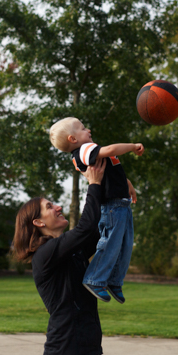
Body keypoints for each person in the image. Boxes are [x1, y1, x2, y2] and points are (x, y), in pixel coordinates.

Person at [13, 158, 107, 355]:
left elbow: (99, 227)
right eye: (49, 206)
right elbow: (86, 227)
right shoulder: (45, 254)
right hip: (66, 354)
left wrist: (113, 187)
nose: (58, 206)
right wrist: (93, 184)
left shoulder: (71, 251)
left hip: (88, 352)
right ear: (38, 222)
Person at [48, 117, 143, 303]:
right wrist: (132, 146)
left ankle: (114, 280)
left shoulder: (89, 150)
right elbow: (111, 150)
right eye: (83, 128)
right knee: (111, 243)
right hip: (112, 206)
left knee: (124, 245)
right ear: (72, 139)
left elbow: (111, 173)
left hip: (121, 204)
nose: (88, 130)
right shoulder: (84, 150)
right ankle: (94, 278)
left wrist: (127, 184)